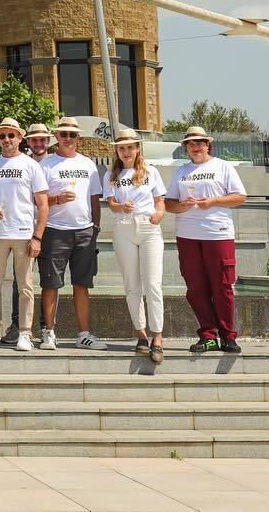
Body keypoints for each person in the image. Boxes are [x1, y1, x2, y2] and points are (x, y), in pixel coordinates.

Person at [166, 126, 247, 354]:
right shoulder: (181, 172)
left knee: (222, 286)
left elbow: (240, 197)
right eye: (191, 143)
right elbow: (169, 204)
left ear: (208, 145)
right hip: (188, 235)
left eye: (200, 142)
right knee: (195, 288)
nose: (196, 146)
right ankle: (208, 336)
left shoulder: (223, 166)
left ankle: (228, 336)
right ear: (186, 148)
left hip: (217, 233)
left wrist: (212, 202)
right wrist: (183, 205)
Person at [0, 118, 49, 352]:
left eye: (11, 135)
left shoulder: (31, 165)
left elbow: (43, 204)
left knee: (26, 286)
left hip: (24, 233)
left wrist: (37, 237)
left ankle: (25, 333)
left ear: (20, 138)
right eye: (2, 136)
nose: (7, 139)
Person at [39, 117, 107, 351]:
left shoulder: (88, 164)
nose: (68, 138)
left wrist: (95, 227)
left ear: (78, 138)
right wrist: (57, 199)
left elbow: (94, 198)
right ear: (56, 137)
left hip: (84, 232)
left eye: (72, 134)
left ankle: (84, 334)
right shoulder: (46, 165)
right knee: (51, 284)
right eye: (64, 134)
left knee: (82, 284)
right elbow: (37, 200)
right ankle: (49, 332)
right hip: (54, 231)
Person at [104, 128, 167, 363]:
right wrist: (122, 207)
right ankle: (141, 334)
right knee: (132, 284)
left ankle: (157, 337)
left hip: (149, 227)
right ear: (117, 151)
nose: (126, 152)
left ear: (137, 148)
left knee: (153, 284)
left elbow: (160, 201)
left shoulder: (151, 171)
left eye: (130, 147)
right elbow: (111, 203)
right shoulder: (111, 174)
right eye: (122, 148)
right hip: (124, 227)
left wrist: (159, 214)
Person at [11, 122, 53, 336]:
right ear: (27, 141)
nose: (38, 143)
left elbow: (48, 200)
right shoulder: (20, 162)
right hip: (25, 228)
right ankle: (17, 325)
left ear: (48, 141)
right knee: (20, 280)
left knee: (48, 279)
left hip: (51, 228)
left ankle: (46, 327)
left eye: (42, 140)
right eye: (34, 140)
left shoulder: (55, 163)